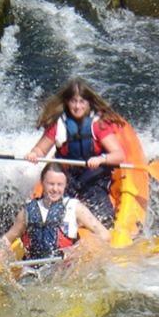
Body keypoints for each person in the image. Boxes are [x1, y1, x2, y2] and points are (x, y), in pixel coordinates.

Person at [25, 77, 125, 229]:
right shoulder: (59, 125)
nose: (77, 106)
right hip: (67, 178)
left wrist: (101, 158)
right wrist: (34, 154)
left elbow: (119, 155)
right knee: (52, 211)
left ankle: (94, 227)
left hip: (93, 178)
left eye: (82, 102)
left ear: (88, 103)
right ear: (67, 102)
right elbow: (40, 150)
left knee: (104, 218)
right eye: (73, 101)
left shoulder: (98, 125)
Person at [0, 163, 110, 270]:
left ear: (65, 185)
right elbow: (7, 239)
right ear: (43, 183)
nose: (55, 189)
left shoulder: (75, 208)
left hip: (64, 269)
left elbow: (104, 234)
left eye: (60, 185)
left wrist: (79, 249)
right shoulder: (28, 211)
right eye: (51, 184)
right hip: (32, 269)